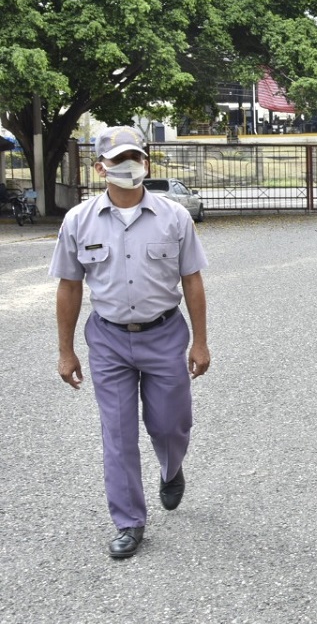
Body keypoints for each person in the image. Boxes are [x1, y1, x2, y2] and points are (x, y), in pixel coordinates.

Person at [50, 125, 210, 559]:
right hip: (109, 339)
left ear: (147, 162)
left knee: (170, 425)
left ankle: (171, 468)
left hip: (164, 335)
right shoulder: (78, 221)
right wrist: (66, 351)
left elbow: (191, 279)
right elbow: (69, 287)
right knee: (117, 435)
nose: (127, 166)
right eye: (117, 159)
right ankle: (128, 521)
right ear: (99, 166)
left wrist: (200, 342)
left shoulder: (174, 217)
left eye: (134, 157)